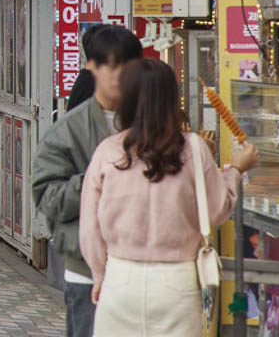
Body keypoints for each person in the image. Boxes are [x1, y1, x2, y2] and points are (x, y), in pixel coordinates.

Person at [80, 59, 259, 336]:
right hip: (178, 283)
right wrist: (235, 169)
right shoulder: (194, 149)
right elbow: (216, 210)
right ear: (172, 100)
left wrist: (99, 274)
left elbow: (90, 227)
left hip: (120, 280)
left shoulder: (108, 152)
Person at [31, 24, 143, 337]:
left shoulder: (152, 124)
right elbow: (47, 199)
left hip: (145, 268)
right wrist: (97, 180)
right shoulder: (66, 131)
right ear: (92, 66)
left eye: (130, 66)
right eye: (112, 65)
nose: (121, 75)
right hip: (87, 269)